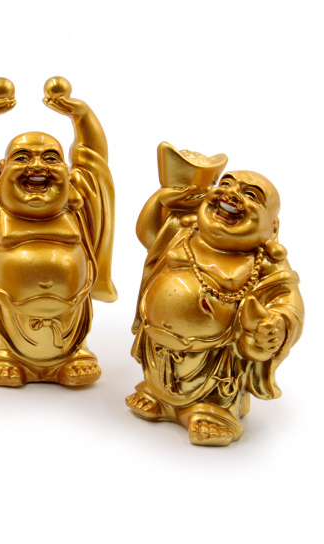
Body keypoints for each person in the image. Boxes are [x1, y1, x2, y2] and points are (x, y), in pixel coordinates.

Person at [0, 77, 117, 387]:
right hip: (9, 315)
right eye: (22, 157)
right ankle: (4, 354)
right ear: (0, 173)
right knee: (5, 345)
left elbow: (94, 161)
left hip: (71, 312)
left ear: (69, 176)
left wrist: (82, 116)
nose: (37, 166)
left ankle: (74, 353)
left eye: (51, 158)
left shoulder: (78, 209)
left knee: (73, 345)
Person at [127, 143, 304, 446]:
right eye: (225, 184)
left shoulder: (264, 263)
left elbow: (287, 300)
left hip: (216, 356)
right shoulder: (183, 231)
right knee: (158, 377)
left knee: (215, 388)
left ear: (272, 228)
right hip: (158, 342)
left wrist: (278, 323)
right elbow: (148, 232)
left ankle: (212, 412)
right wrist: (162, 199)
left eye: (251, 195)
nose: (231, 194)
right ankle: (161, 399)